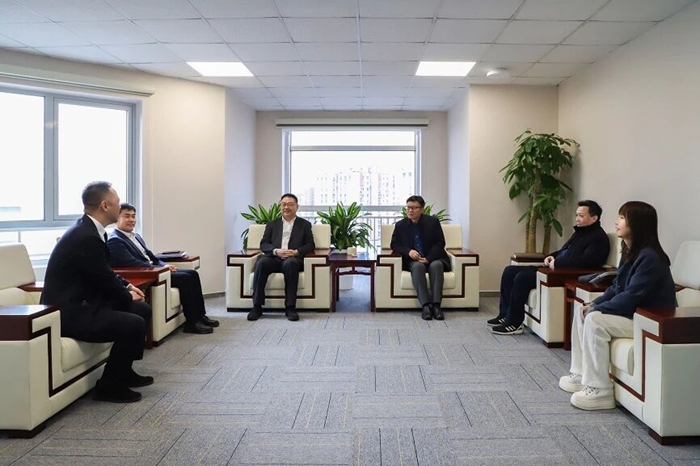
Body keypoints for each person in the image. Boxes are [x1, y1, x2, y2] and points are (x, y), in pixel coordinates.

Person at [41, 181, 153, 404]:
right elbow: (102, 279)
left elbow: (102, 270)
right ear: (105, 205)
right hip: (69, 312)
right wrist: (125, 295)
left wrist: (127, 286)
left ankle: (124, 371)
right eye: (117, 202)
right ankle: (109, 387)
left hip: (83, 303)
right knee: (133, 324)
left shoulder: (90, 230)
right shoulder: (86, 237)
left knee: (141, 309)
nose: (120, 206)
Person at [559, 201, 676, 410]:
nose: (616, 222)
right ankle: (580, 374)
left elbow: (631, 296)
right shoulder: (631, 251)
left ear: (637, 223)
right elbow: (616, 287)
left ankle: (600, 390)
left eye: (622, 217)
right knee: (582, 309)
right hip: (632, 314)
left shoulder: (651, 258)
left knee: (595, 320)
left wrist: (597, 309)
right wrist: (594, 303)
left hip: (648, 321)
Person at [490, 200, 610, 335]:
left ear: (594, 218)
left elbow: (588, 261)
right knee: (509, 271)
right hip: (554, 269)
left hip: (564, 274)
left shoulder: (599, 238)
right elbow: (564, 251)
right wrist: (551, 256)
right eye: (577, 215)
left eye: (581, 216)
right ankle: (504, 314)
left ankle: (514, 323)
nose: (577, 218)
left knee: (522, 277)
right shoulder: (579, 233)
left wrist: (558, 263)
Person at [107, 203, 219, 335]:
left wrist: (163, 265)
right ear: (117, 219)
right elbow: (132, 263)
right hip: (148, 274)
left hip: (155, 270)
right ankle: (192, 323)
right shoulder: (115, 240)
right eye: (127, 216)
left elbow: (152, 257)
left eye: (133, 216)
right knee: (185, 278)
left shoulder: (136, 236)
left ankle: (200, 315)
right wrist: (159, 268)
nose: (131, 220)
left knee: (192, 274)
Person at [248, 193, 315, 322]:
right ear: (280, 206)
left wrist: (295, 252)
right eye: (284, 204)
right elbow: (264, 244)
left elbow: (310, 244)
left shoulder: (305, 224)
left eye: (290, 204)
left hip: (292, 258)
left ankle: (290, 308)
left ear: (297, 207)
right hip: (274, 257)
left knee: (291, 264)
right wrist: (276, 251)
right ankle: (257, 307)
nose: (286, 207)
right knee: (261, 263)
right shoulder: (272, 224)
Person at [390, 195, 451, 321]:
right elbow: (394, 244)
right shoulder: (401, 225)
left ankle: (436, 305)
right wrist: (408, 251)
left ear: (422, 209)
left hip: (433, 258)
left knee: (437, 265)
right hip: (413, 261)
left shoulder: (432, 222)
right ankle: (426, 306)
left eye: (414, 208)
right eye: (408, 207)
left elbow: (440, 243)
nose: (410, 210)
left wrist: (429, 258)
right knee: (418, 267)